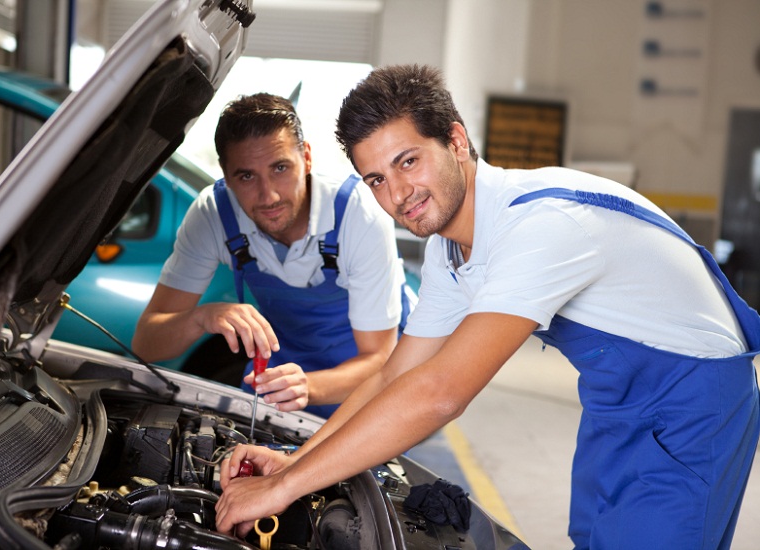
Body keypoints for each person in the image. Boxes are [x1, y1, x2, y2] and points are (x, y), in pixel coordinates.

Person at [213, 65, 760, 549]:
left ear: (455, 140)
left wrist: (283, 489)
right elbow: (397, 375)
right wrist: (296, 462)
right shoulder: (452, 247)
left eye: (408, 161)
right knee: (594, 538)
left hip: (694, 401)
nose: (398, 194)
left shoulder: (537, 227)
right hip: (616, 397)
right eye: (376, 178)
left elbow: (440, 393)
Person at [132, 93, 411, 419]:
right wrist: (202, 317)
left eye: (280, 168)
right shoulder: (214, 215)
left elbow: (379, 358)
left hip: (372, 380)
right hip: (286, 372)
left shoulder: (356, 213)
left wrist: (307, 386)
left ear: (306, 159)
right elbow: (146, 344)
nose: (269, 196)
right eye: (246, 176)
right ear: (225, 174)